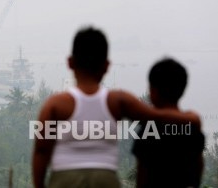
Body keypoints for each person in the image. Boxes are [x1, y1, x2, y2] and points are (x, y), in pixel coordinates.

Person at [32, 26, 200, 188]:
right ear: (106, 66)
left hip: (65, 178)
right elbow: (156, 117)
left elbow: (41, 151)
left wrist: (39, 185)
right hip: (105, 178)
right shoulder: (117, 100)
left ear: (70, 63)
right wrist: (191, 118)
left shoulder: (55, 104)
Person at [132, 58, 204, 188]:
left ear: (152, 92)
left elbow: (142, 173)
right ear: (182, 89)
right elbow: (197, 167)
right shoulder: (191, 126)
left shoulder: (149, 128)